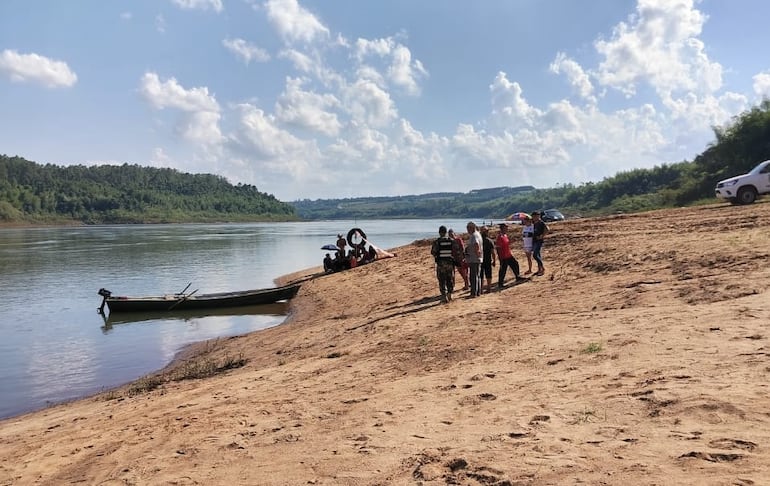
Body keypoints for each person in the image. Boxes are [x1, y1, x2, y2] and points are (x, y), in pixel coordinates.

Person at [495, 223, 526, 289]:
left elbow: (506, 243)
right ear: (502, 228)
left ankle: (517, 276)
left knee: (515, 264)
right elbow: (498, 248)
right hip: (503, 256)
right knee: (503, 269)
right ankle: (500, 283)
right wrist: (500, 257)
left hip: (508, 255)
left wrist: (511, 241)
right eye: (506, 228)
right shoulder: (500, 237)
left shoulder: (505, 235)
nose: (507, 229)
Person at [430, 225, 455, 303]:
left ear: (439, 232)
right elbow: (455, 251)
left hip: (441, 264)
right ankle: (450, 294)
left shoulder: (437, 242)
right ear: (446, 232)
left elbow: (433, 252)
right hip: (450, 263)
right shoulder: (451, 240)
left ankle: (444, 296)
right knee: (449, 279)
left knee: (442, 280)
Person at [465, 221, 483, 297]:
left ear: (472, 228)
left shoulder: (474, 235)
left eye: (468, 228)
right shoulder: (478, 234)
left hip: (474, 259)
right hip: (477, 258)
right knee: (477, 275)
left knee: (473, 276)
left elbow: (476, 244)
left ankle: (473, 293)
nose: (467, 230)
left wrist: (477, 253)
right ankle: (477, 292)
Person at [480, 226, 496, 293]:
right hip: (486, 259)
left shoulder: (479, 240)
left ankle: (481, 289)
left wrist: (494, 260)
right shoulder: (489, 241)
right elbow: (493, 252)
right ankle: (488, 288)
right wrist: (494, 260)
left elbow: (493, 252)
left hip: (481, 259)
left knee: (481, 275)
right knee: (487, 274)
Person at [531, 211, 549, 276]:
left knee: (535, 255)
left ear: (538, 216)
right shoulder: (534, 223)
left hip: (539, 240)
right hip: (534, 240)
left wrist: (542, 236)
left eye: (535, 216)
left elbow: (547, 229)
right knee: (538, 255)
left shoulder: (541, 222)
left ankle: (542, 268)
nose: (534, 218)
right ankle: (539, 269)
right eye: (533, 216)